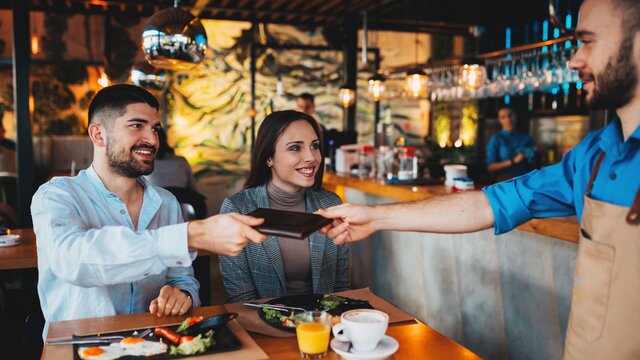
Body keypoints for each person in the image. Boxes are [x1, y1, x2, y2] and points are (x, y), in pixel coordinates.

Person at [318, 0, 640, 358]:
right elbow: (489, 203)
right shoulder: (592, 156)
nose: (574, 60)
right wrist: (375, 216)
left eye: (588, 41)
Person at [31, 84, 267, 334]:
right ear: (98, 135)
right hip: (83, 348)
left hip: (154, 345)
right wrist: (190, 236)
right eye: (136, 126)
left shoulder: (166, 202)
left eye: (155, 129)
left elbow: (182, 278)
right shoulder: (56, 195)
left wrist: (182, 294)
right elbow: (73, 261)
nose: (153, 139)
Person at [219, 110, 350, 302]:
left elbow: (341, 288)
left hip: (323, 325)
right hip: (262, 324)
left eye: (314, 146)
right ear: (268, 157)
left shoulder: (331, 205)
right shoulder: (237, 209)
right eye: (295, 148)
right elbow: (241, 297)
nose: (311, 157)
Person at [147, 128, 207, 219]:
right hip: (187, 203)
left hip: (157, 207)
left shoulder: (143, 163)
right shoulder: (181, 160)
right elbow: (193, 188)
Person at [485, 107, 536, 181]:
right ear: (500, 120)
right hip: (505, 179)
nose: (508, 119)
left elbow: (533, 157)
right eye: (503, 117)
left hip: (525, 178)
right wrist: (513, 161)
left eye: (510, 115)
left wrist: (534, 151)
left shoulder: (525, 137)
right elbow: (490, 167)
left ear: (515, 116)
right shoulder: (496, 138)